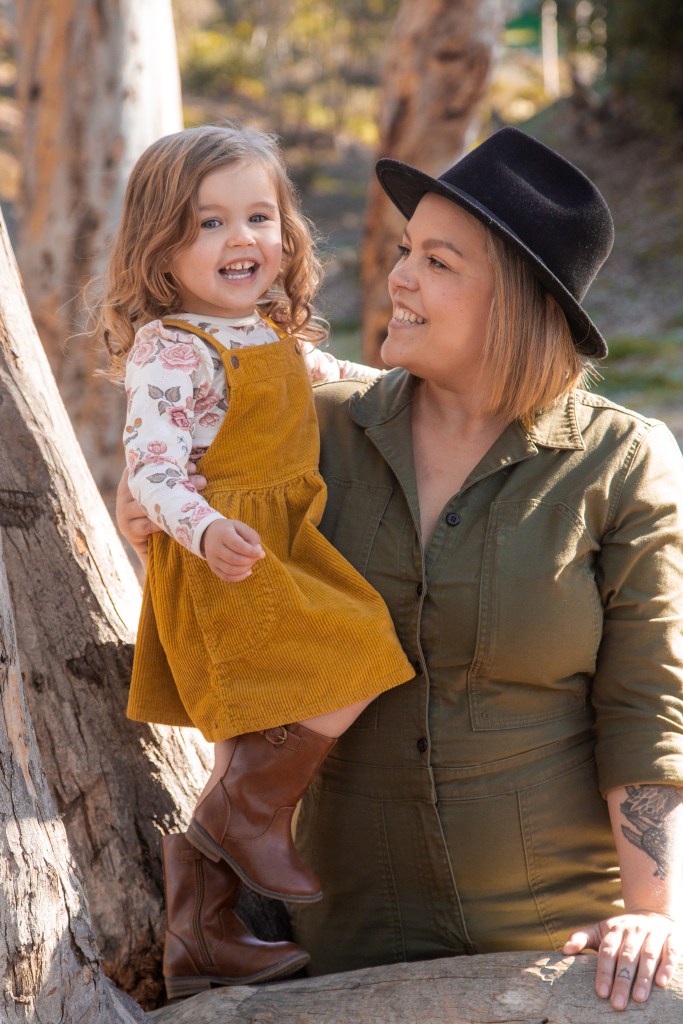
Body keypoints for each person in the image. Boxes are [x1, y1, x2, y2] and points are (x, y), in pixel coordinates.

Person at [117, 126, 683, 1011]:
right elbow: (208, 554)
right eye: (405, 251)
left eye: (438, 262)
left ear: (518, 299)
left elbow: (646, 703)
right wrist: (152, 508)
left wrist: (654, 914)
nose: (399, 279)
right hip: (338, 959)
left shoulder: (621, 461)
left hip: (556, 954)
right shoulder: (316, 429)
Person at [100, 122, 415, 998]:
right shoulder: (172, 348)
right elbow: (151, 470)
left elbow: (337, 377)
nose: (241, 238)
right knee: (358, 647)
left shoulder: (267, 335)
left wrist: (415, 384)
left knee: (242, 746)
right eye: (209, 223)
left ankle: (202, 936)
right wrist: (202, 529)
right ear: (160, 247)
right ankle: (247, 816)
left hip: (273, 549)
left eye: (258, 217)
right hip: (224, 563)